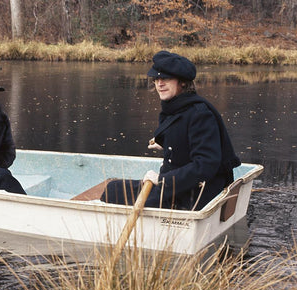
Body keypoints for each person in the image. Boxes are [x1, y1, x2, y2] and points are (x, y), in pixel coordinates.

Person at [101, 51, 241, 210]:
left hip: (193, 194)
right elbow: (187, 139)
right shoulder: (176, 107)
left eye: (166, 78)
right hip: (178, 186)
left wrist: (162, 180)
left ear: (182, 82)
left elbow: (205, 165)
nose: (159, 83)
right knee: (113, 188)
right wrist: (167, 143)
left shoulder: (200, 114)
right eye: (156, 79)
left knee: (112, 192)